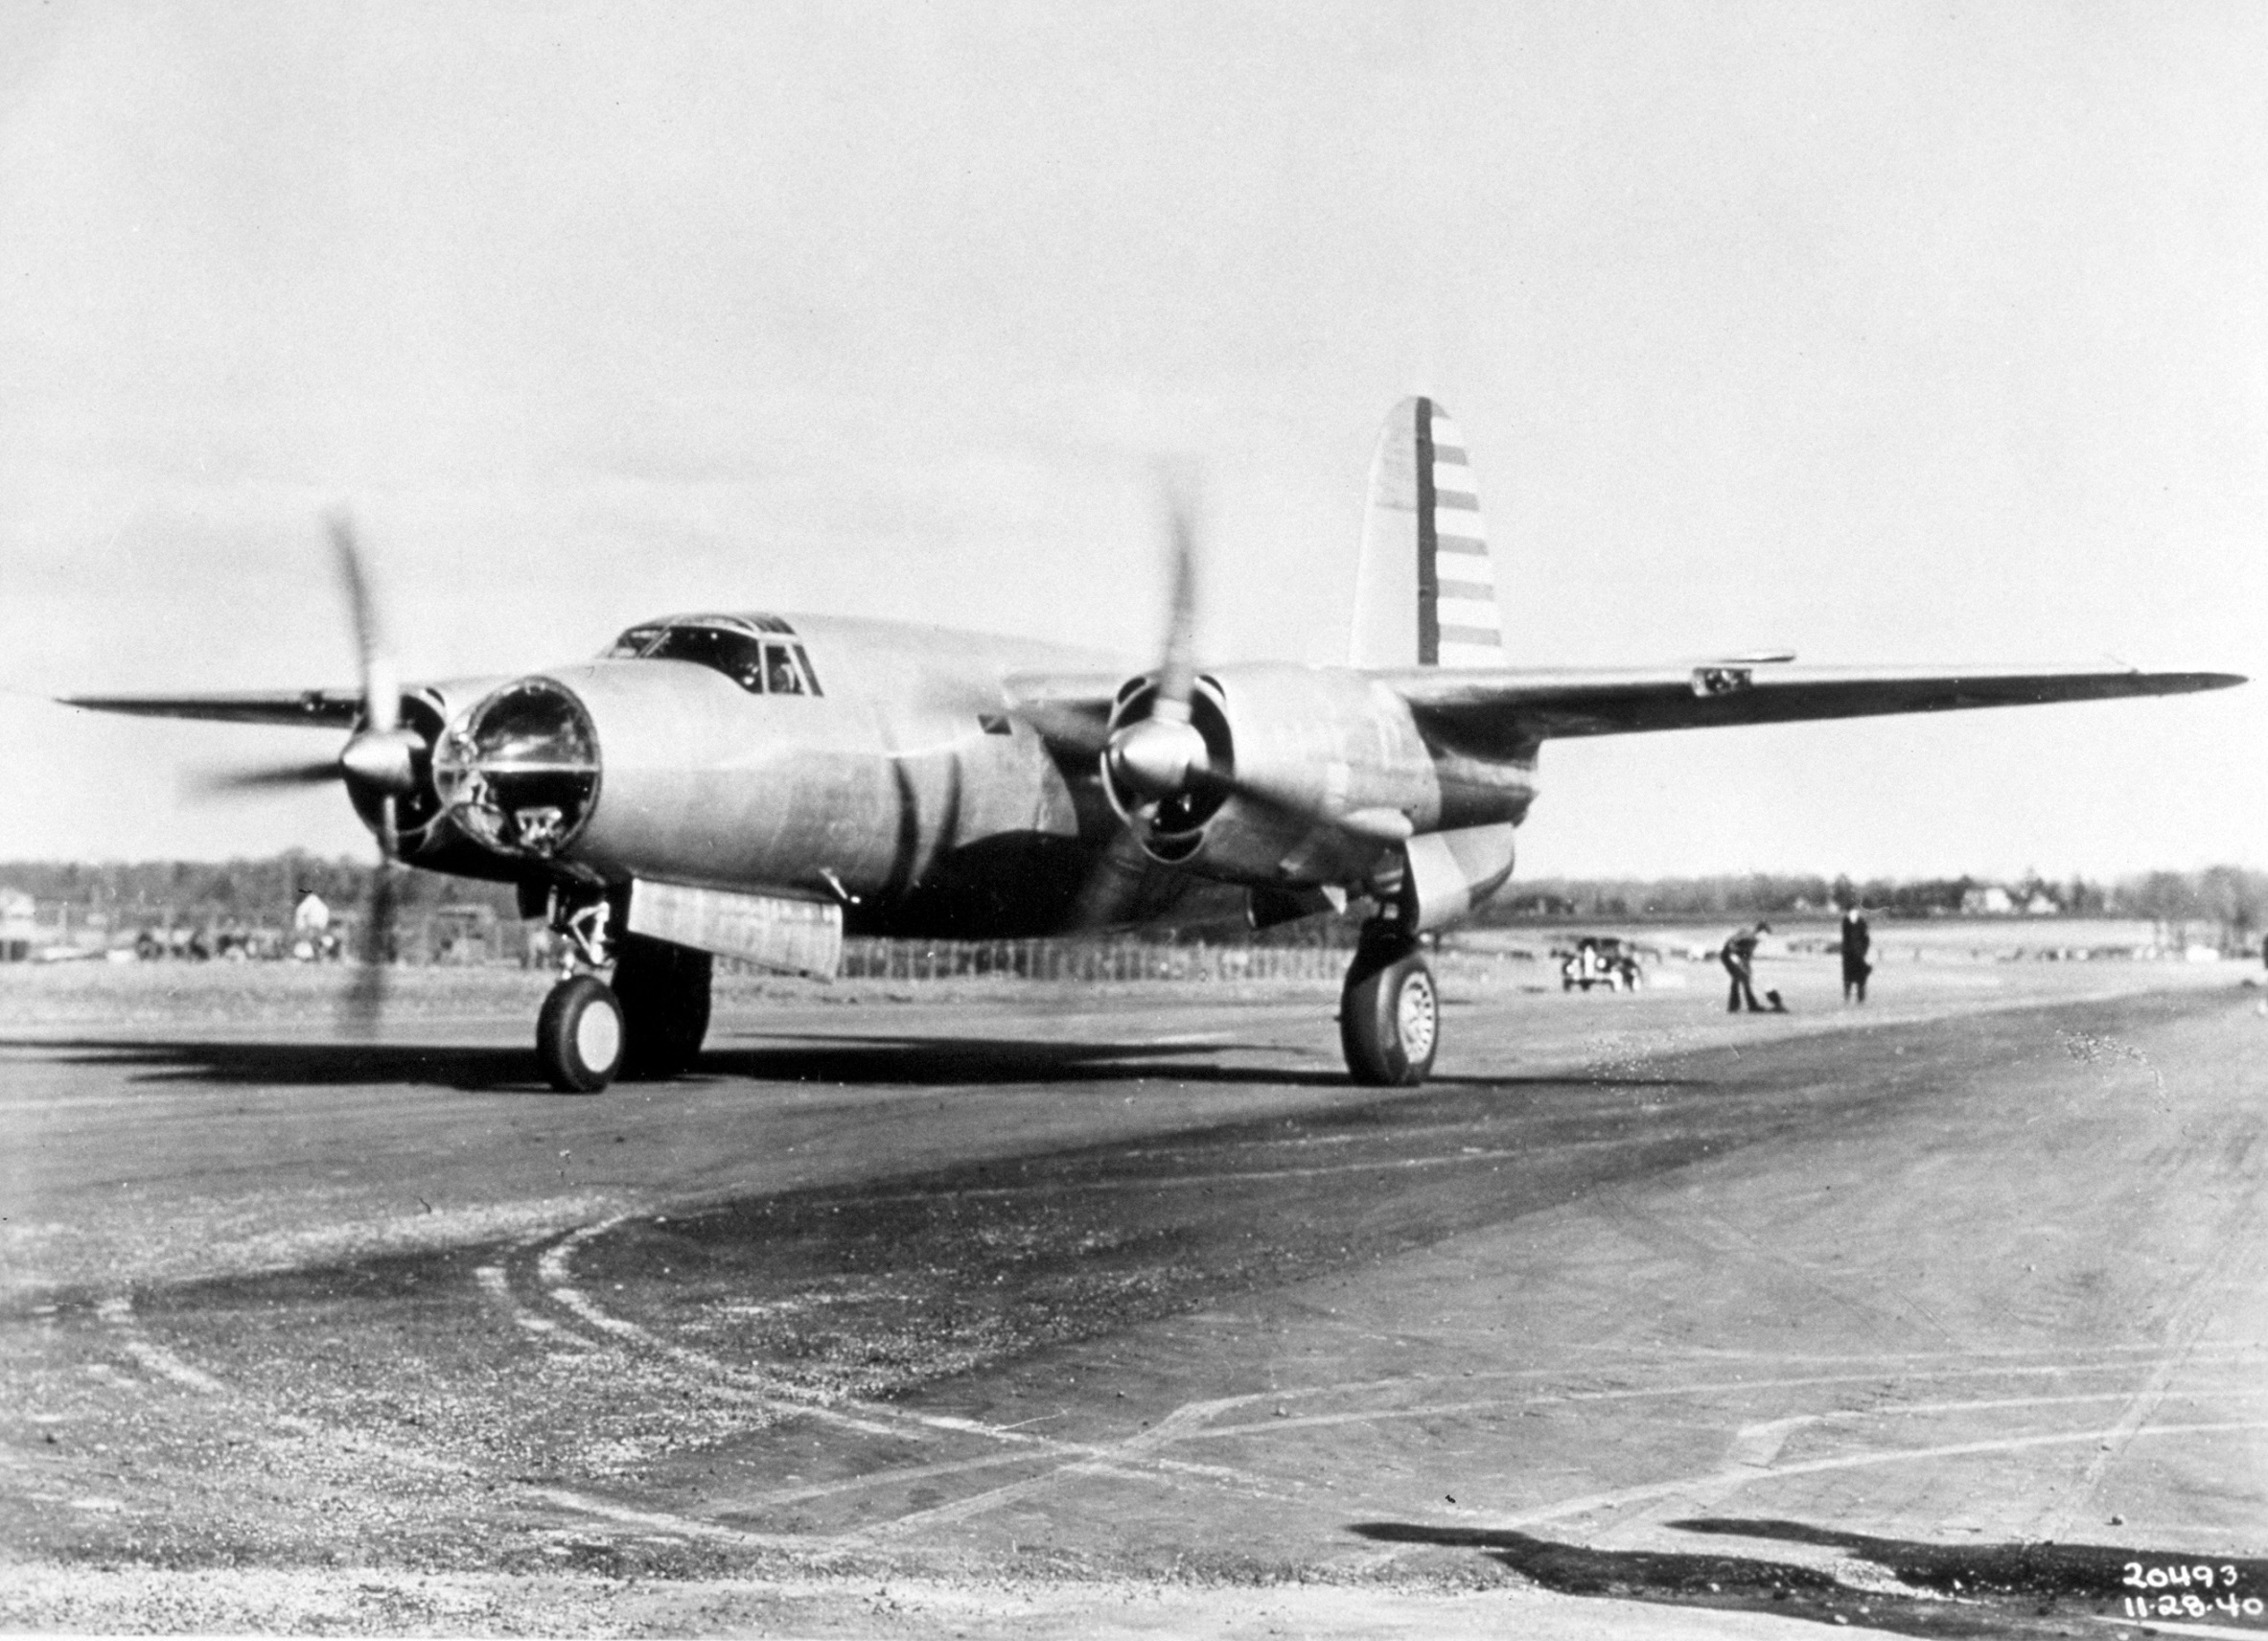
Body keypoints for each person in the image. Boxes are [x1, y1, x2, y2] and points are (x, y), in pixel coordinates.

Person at [1722, 921, 1769, 1013]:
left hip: (1734, 956)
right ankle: (1747, 1006)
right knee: (1740, 979)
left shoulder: (1754, 939)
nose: (1765, 936)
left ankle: (1737, 1006)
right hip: (1728, 956)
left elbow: (1746, 956)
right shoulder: (1748, 937)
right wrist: (1740, 962)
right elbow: (1732, 945)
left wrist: (1747, 968)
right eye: (1765, 933)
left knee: (1742, 979)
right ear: (1760, 931)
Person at [1841, 904, 1873, 1004]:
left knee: (1849, 977)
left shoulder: (1846, 921)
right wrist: (1864, 950)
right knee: (1860, 977)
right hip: (1857, 953)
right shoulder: (1860, 921)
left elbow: (1846, 937)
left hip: (1851, 953)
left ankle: (1848, 997)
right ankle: (1860, 998)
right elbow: (1866, 938)